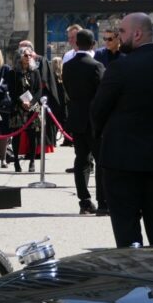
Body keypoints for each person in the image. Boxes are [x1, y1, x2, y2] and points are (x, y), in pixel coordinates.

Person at [91, 13, 153, 247]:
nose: (118, 37)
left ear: (137, 33)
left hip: (122, 159)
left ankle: (134, 269)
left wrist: (102, 137)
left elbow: (98, 110)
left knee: (126, 225)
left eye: (122, 32)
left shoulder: (120, 67)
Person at [61, 29, 105, 215]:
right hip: (94, 119)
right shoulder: (96, 66)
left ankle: (84, 201)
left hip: (77, 117)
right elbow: (103, 94)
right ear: (93, 44)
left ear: (77, 44)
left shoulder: (67, 66)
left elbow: (67, 90)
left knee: (81, 160)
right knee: (101, 161)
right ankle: (103, 202)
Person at [9, 47, 43, 173]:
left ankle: (32, 161)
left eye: (30, 55)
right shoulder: (13, 73)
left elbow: (39, 90)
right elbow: (12, 92)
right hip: (18, 106)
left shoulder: (35, 71)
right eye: (25, 55)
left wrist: (32, 102)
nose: (28, 57)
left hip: (33, 105)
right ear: (19, 57)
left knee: (33, 135)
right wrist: (21, 102)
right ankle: (16, 162)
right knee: (16, 135)